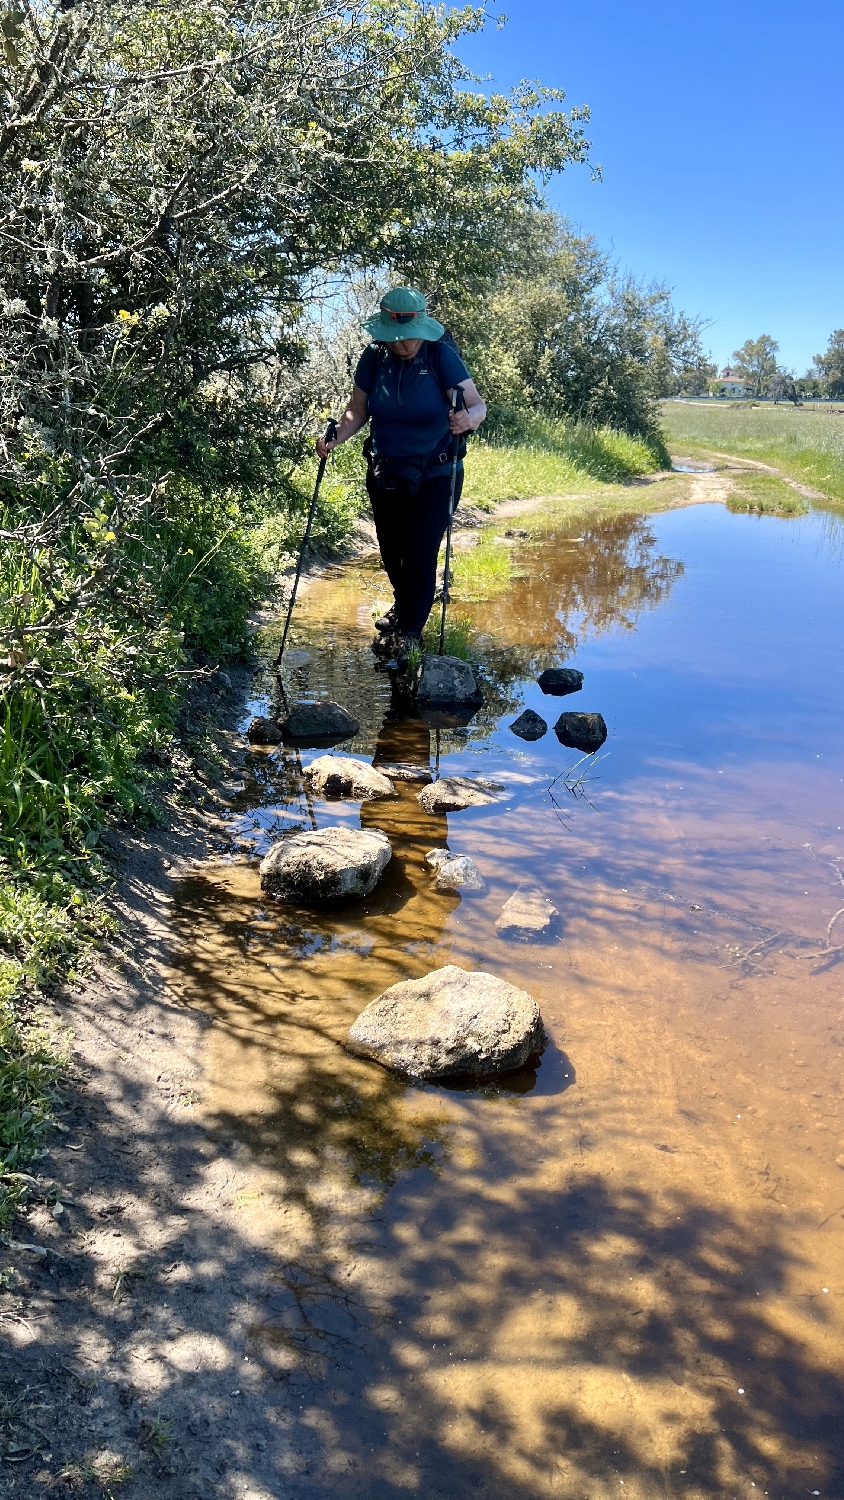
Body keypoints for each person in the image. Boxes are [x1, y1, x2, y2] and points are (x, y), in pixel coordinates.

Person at [316, 286, 486, 653]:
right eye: (395, 339)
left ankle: (409, 633)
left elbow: (477, 405)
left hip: (438, 470)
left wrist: (466, 420)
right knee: (392, 551)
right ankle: (404, 604)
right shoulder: (375, 357)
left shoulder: (441, 356)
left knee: (421, 551)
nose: (402, 346)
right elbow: (357, 411)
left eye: (408, 339)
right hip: (386, 467)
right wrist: (334, 438)